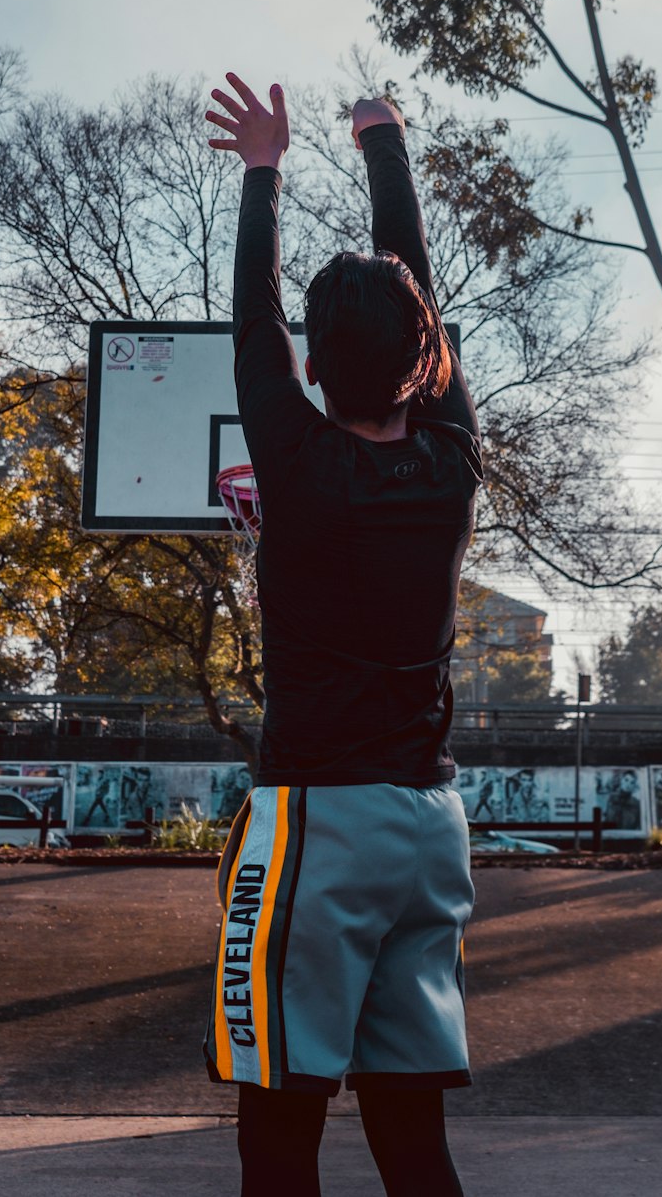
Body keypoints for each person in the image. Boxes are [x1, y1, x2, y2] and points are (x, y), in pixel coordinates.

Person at [202, 75, 482, 1197]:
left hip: (317, 823)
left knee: (281, 1134)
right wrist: (383, 144)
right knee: (413, 1141)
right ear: (430, 363)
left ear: (312, 367)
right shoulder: (453, 464)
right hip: (429, 825)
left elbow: (250, 318)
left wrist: (261, 167)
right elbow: (402, 287)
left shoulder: (298, 461)